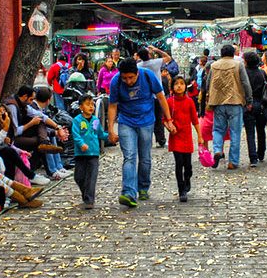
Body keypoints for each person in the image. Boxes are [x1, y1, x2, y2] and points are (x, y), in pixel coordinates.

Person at [107, 58, 176, 207]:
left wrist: (168, 119)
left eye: (131, 77)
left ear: (137, 73)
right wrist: (111, 129)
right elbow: (112, 105)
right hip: (126, 122)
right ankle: (128, 193)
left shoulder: (147, 76)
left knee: (145, 157)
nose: (128, 81)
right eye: (125, 78)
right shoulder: (116, 81)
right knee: (129, 156)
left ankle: (143, 187)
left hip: (146, 121)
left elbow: (161, 97)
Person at [0, 95, 50, 186]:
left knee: (9, 154)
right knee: (8, 152)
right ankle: (30, 176)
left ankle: (15, 185)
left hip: (1, 148)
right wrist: (5, 127)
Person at [204, 44, 253, 170]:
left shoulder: (214, 66)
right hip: (235, 101)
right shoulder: (238, 65)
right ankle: (233, 162)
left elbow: (208, 83)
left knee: (218, 129)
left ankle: (217, 150)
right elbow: (245, 83)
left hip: (218, 102)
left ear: (221, 53)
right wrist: (249, 100)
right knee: (235, 132)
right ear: (233, 54)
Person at [167, 75, 202, 202]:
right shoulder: (170, 102)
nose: (179, 86)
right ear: (172, 87)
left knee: (188, 166)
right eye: (176, 84)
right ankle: (181, 189)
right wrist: (169, 126)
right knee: (179, 164)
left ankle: (187, 179)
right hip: (176, 137)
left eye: (181, 83)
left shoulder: (189, 102)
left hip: (187, 137)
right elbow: (164, 119)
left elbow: (195, 120)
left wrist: (199, 135)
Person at [71, 94, 108, 209]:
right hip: (80, 154)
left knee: (92, 177)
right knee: (79, 177)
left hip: (93, 153)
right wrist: (81, 144)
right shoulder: (77, 120)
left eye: (92, 104)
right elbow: (76, 135)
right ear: (81, 107)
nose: (91, 107)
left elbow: (100, 133)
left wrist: (110, 137)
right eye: (88, 105)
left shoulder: (95, 120)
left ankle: (89, 200)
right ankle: (86, 194)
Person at [242, 51, 267, 166]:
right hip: (261, 104)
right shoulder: (262, 73)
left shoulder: (244, 74)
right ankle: (261, 153)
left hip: (248, 104)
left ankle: (253, 158)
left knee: (250, 132)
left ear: (246, 61)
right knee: (261, 129)